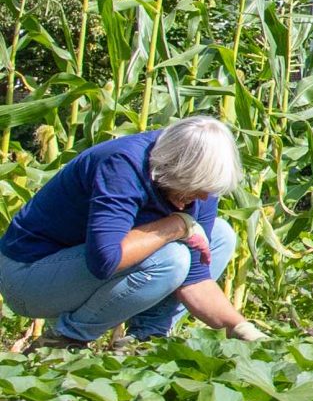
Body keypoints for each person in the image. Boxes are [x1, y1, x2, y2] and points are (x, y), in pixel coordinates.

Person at [0, 117, 266, 349]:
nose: (203, 197)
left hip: (74, 272)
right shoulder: (122, 165)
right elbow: (105, 260)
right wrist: (176, 225)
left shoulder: (201, 183)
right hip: (29, 278)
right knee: (172, 256)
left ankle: (147, 342)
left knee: (220, 235)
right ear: (174, 169)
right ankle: (65, 341)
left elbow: (194, 279)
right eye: (197, 189)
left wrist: (242, 330)